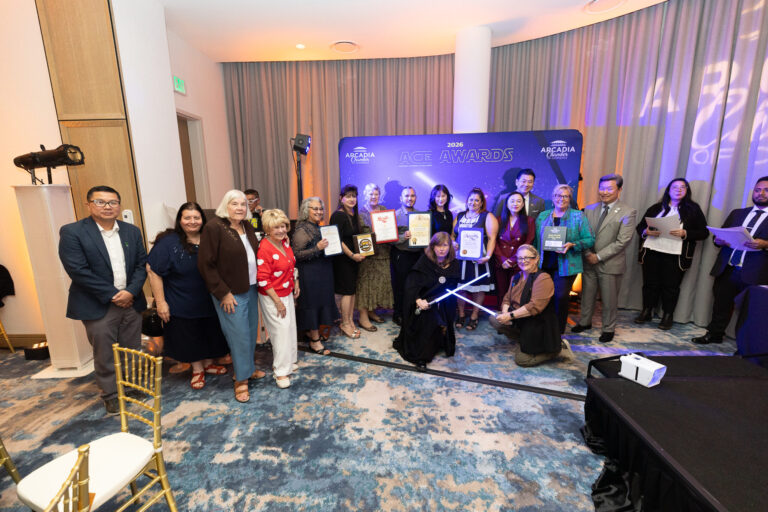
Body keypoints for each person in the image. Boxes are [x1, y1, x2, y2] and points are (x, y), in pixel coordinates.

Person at [58, 185, 147, 415]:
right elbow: (78, 270)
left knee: (132, 348)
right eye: (101, 202)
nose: (108, 207)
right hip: (97, 304)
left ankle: (130, 386)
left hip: (131, 300)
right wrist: (113, 295)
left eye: (113, 202)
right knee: (105, 352)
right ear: (88, 205)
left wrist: (131, 292)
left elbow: (140, 265)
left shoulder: (131, 231)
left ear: (119, 205)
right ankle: (111, 394)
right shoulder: (73, 232)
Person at [146, 202, 229, 390]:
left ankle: (208, 364)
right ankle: (197, 369)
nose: (192, 221)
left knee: (209, 332)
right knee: (190, 335)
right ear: (180, 220)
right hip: (181, 299)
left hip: (209, 298)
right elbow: (153, 270)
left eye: (196, 217)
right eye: (187, 218)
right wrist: (160, 303)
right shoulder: (168, 242)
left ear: (203, 219)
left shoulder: (210, 238)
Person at [198, 189, 265, 403]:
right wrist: (223, 293)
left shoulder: (246, 225)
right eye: (234, 204)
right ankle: (241, 380)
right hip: (229, 292)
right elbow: (205, 265)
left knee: (250, 331)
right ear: (225, 206)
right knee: (239, 336)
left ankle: (248, 368)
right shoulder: (214, 227)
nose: (239, 208)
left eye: (243, 204)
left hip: (251, 287)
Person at [692, 177, 768, 344]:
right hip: (728, 267)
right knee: (721, 304)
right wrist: (718, 240)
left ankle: (745, 344)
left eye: (766, 190)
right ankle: (715, 334)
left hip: (756, 272)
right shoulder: (738, 213)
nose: (761, 193)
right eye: (757, 190)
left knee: (751, 311)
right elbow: (719, 235)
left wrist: (765, 244)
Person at [635, 178, 709, 329]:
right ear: (668, 190)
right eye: (675, 187)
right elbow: (640, 227)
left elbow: (704, 232)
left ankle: (668, 315)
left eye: (683, 187)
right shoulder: (656, 208)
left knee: (671, 287)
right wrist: (645, 231)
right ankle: (647, 310)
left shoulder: (693, 209)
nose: (679, 189)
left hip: (676, 255)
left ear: (687, 191)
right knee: (650, 284)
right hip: (652, 251)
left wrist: (685, 232)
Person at [572, 174, 637, 343]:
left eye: (609, 188)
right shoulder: (589, 209)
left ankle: (608, 329)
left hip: (610, 263)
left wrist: (599, 256)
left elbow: (622, 241)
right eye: (602, 188)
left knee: (609, 300)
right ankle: (585, 322)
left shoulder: (628, 212)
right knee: (586, 295)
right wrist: (588, 254)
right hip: (588, 260)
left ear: (619, 190)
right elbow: (582, 234)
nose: (604, 192)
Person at [490, 245, 575, 367]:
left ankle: (559, 350)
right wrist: (504, 313)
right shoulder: (516, 277)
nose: (522, 261)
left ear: (536, 259)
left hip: (537, 324)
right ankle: (522, 339)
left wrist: (510, 315)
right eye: (519, 258)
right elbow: (507, 299)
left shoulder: (543, 278)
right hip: (521, 319)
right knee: (495, 319)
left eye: (527, 258)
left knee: (522, 360)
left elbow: (534, 307)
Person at [394, 232, 461, 370]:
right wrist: (418, 300)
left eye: (445, 245)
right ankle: (421, 357)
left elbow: (452, 288)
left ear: (450, 247)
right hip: (423, 301)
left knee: (441, 314)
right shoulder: (424, 261)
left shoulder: (454, 264)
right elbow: (412, 285)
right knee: (427, 317)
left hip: (443, 302)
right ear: (432, 246)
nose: (441, 249)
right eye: (438, 245)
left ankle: (440, 341)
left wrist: (439, 301)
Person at [534, 184, 595, 334]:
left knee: (560, 297)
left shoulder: (578, 216)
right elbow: (536, 241)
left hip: (567, 264)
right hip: (544, 263)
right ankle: (544, 328)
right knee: (543, 297)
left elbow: (590, 239)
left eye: (565, 196)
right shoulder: (543, 216)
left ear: (570, 199)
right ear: (553, 198)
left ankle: (557, 331)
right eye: (558, 196)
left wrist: (573, 244)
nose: (561, 199)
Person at [257, 209, 300, 389]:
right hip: (272, 295)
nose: (281, 231)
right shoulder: (264, 248)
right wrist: (278, 302)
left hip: (287, 291)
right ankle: (281, 372)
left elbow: (291, 265)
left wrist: (295, 282)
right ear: (267, 229)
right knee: (280, 332)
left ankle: (289, 362)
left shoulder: (285, 243)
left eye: (283, 226)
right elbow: (263, 279)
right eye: (276, 228)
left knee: (290, 328)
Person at [291, 197, 337, 354]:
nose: (319, 211)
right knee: (312, 306)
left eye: (320, 208)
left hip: (322, 272)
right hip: (309, 275)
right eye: (314, 208)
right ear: (306, 210)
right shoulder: (302, 229)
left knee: (320, 304)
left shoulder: (317, 227)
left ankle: (313, 333)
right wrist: (317, 247)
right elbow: (296, 255)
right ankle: (314, 341)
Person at [453, 187, 499, 330]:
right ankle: (461, 314)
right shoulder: (460, 216)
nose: (473, 202)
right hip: (460, 260)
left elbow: (492, 238)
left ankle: (474, 315)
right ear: (467, 201)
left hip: (478, 260)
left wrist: (488, 256)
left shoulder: (487, 216)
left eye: (477, 200)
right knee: (460, 288)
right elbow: (452, 235)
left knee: (479, 289)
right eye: (471, 200)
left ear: (481, 203)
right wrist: (453, 242)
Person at [330, 184, 366, 338]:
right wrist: (352, 255)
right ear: (341, 198)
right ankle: (344, 323)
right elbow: (337, 239)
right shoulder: (338, 215)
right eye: (348, 196)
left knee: (351, 292)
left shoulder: (353, 214)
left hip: (354, 259)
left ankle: (350, 320)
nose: (352, 199)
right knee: (346, 292)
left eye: (354, 196)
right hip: (343, 260)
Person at [356, 183, 394, 331]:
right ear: (365, 195)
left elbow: (391, 230)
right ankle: (363, 318)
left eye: (376, 194)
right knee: (366, 286)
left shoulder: (384, 211)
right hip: (368, 257)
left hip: (384, 254)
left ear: (380, 195)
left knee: (378, 285)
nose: (374, 197)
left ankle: (372, 311)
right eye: (371, 194)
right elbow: (358, 236)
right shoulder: (360, 213)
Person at [493, 191, 535, 301]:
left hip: (519, 263)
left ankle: (513, 315)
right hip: (500, 263)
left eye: (518, 201)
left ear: (522, 204)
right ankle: (501, 315)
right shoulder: (498, 220)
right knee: (501, 291)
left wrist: (513, 260)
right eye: (512, 201)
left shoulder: (529, 221)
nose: (515, 204)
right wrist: (502, 260)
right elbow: (493, 241)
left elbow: (528, 242)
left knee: (516, 291)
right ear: (506, 204)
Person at [390, 186, 423, 326]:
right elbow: (390, 239)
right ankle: (398, 314)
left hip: (417, 255)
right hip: (401, 255)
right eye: (407, 196)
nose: (410, 198)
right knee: (400, 286)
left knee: (415, 286)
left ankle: (411, 312)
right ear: (401, 198)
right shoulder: (395, 216)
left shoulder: (421, 215)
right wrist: (403, 236)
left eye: (412, 196)